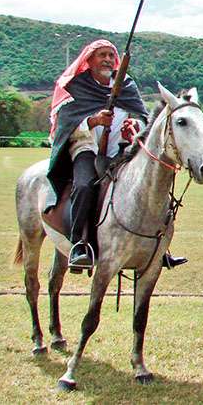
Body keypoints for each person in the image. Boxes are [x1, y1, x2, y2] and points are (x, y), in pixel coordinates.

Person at [46, 39, 186, 270]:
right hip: (85, 148)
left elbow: (144, 119)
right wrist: (94, 121)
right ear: (88, 60)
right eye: (102, 55)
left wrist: (134, 124)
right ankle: (79, 244)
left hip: (122, 150)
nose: (108, 60)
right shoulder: (75, 87)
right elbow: (64, 124)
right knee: (84, 185)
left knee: (150, 185)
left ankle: (160, 247)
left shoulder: (126, 85)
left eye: (111, 56)